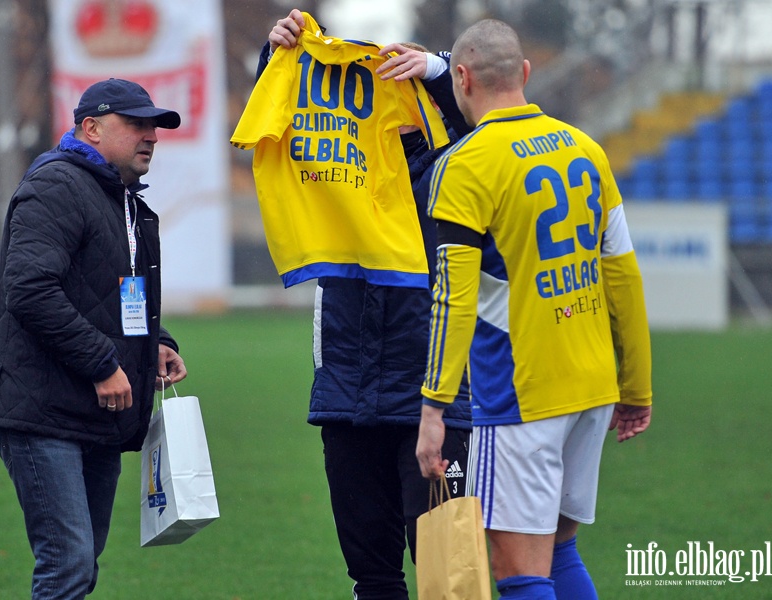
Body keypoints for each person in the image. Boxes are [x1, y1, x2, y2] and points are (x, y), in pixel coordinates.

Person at [415, 19, 653, 600]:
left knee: (519, 571)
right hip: (592, 385)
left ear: (462, 78)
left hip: (522, 394)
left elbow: (453, 296)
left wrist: (433, 407)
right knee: (559, 551)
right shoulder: (586, 148)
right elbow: (621, 273)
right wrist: (636, 387)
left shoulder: (465, 164)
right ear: (524, 73)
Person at [258, 10, 473, 599]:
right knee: (371, 576)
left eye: (398, 105)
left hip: (432, 402)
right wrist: (275, 54)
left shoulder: (453, 175)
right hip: (346, 397)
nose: (386, 120)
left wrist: (436, 69)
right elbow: (286, 117)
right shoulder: (333, 180)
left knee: (448, 574)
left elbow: (488, 112)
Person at [0, 78, 187, 599]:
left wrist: (155, 341)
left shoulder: (120, 196)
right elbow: (29, 288)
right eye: (135, 124)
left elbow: (107, 295)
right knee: (67, 565)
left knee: (81, 565)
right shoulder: (58, 185)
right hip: (42, 407)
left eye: (154, 125)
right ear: (90, 128)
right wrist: (103, 363)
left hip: (91, 411)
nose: (151, 135)